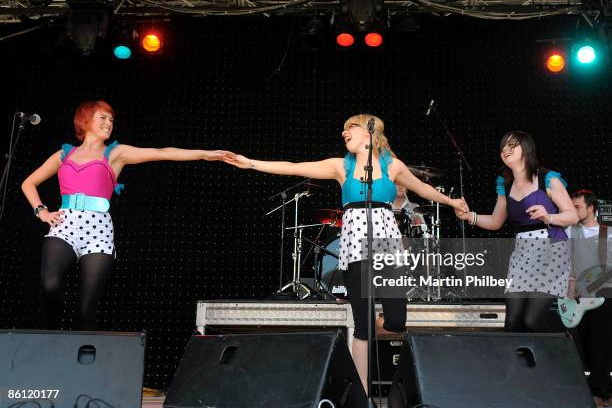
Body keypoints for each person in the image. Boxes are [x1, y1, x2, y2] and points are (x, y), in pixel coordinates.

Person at [223, 114, 467, 393]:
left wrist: (451, 202)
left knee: (397, 320)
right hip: (355, 249)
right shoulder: (341, 166)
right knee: (361, 329)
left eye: (349, 127)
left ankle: (374, 323)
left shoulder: (392, 165)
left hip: (387, 248)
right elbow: (293, 168)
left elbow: (422, 188)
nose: (343, 133)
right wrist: (250, 162)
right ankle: (361, 393)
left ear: (367, 132)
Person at [21, 100, 232, 330]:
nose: (109, 123)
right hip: (64, 225)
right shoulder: (65, 154)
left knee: (86, 309)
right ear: (85, 120)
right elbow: (29, 183)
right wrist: (41, 211)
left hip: (98, 231)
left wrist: (204, 154)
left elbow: (161, 152)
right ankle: (49, 338)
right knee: (50, 286)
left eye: (111, 120)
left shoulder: (115, 153)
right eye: (102, 118)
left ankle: (78, 357)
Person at [455, 131, 578, 332]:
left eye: (512, 145)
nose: (505, 150)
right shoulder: (505, 182)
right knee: (512, 322)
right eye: (503, 146)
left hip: (551, 249)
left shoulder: (547, 178)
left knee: (531, 321)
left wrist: (549, 217)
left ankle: (555, 357)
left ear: (526, 149)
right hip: (522, 253)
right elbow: (496, 221)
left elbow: (572, 216)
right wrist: (470, 216)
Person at [566, 190, 612, 408]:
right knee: (580, 345)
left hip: (603, 295)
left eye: (578, 207)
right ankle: (589, 390)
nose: (574, 211)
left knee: (600, 344)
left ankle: (600, 392)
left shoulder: (607, 234)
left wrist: (585, 287)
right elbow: (563, 262)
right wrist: (569, 284)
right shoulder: (569, 231)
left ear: (591, 208)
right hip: (576, 299)